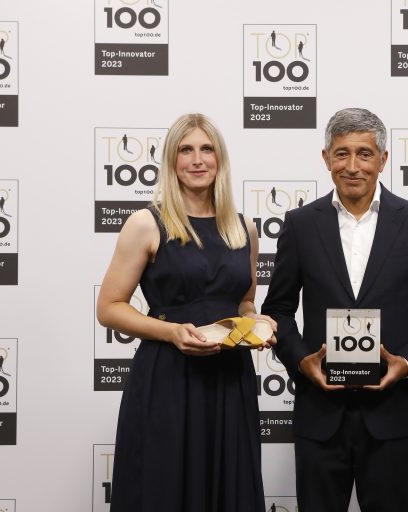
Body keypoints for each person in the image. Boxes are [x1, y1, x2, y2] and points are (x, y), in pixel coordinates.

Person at [262, 107, 408, 512]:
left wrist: (406, 363)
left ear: (383, 159)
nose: (353, 166)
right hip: (320, 416)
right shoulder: (299, 224)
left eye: (365, 154)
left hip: (392, 417)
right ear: (326, 158)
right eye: (342, 153)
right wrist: (301, 362)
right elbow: (278, 308)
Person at [97, 113, 276, 512]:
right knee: (163, 490)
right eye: (186, 150)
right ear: (172, 161)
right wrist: (172, 332)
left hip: (230, 382)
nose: (198, 160)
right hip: (168, 380)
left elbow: (244, 301)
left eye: (207, 149)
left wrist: (258, 322)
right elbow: (108, 308)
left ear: (220, 158)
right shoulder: (146, 223)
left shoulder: (243, 228)